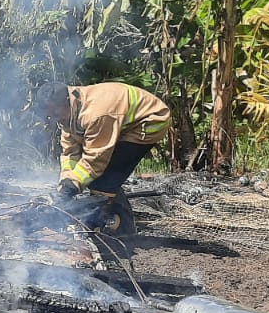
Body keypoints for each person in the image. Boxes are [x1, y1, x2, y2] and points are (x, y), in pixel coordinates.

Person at [32, 79, 170, 232]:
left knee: (104, 179)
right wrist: (66, 181)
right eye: (52, 115)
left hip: (150, 123)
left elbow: (96, 159)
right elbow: (70, 152)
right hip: (121, 123)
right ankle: (120, 222)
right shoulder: (68, 110)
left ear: (66, 101)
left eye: (57, 113)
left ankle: (107, 226)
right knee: (98, 178)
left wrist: (73, 186)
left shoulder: (96, 114)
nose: (56, 118)